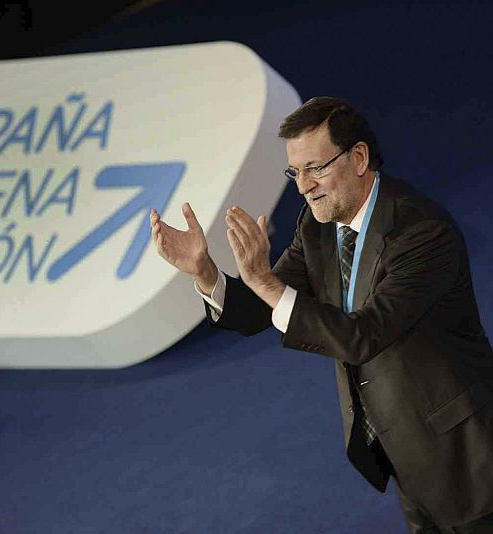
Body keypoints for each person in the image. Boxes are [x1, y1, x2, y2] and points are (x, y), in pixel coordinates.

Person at [150, 97, 493, 533]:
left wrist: (264, 280)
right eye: (295, 172)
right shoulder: (317, 227)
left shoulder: (421, 232)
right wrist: (205, 271)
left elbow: (364, 336)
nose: (304, 186)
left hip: (467, 456)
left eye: (316, 168)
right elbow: (259, 310)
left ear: (359, 158)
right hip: (402, 449)